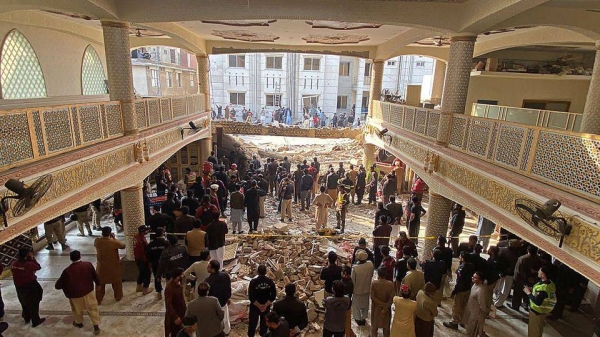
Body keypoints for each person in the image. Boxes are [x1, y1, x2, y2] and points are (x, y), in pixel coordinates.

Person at [55, 250, 101, 334]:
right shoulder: (88, 265)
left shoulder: (67, 271)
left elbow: (58, 286)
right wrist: (98, 284)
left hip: (75, 295)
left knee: (77, 310)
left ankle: (79, 323)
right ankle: (96, 326)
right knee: (92, 308)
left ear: (70, 259)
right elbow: (95, 276)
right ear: (80, 256)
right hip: (88, 292)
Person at [10, 248, 45, 327]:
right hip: (30, 285)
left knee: (24, 302)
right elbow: (38, 267)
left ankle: (26, 317)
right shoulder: (28, 264)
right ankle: (35, 320)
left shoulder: (14, 264)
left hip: (19, 286)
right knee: (34, 302)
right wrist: (32, 259)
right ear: (27, 255)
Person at [443, 252, 475, 330]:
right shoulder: (471, 266)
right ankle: (462, 320)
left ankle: (454, 322)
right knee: (464, 305)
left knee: (457, 306)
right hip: (468, 289)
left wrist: (454, 291)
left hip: (461, 290)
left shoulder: (462, 268)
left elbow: (460, 281)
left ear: (463, 258)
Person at [94, 226, 125, 304]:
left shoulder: (97, 241)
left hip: (101, 268)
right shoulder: (113, 242)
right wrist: (114, 238)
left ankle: (98, 299)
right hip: (113, 267)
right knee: (117, 283)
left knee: (100, 284)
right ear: (110, 233)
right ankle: (118, 297)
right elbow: (123, 245)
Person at [525, 265, 557, 337]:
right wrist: (532, 290)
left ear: (543, 274)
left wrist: (528, 293)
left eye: (540, 270)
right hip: (543, 312)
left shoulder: (544, 288)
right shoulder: (550, 283)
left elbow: (537, 302)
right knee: (538, 330)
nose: (538, 272)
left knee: (534, 332)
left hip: (537, 312)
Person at [248, 264, 277, 337]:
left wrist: (259, 306)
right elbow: (273, 296)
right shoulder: (270, 282)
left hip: (255, 307)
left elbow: (251, 297)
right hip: (266, 307)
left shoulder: (253, 282)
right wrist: (265, 306)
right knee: (264, 325)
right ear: (266, 272)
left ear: (257, 272)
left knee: (252, 324)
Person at [511, 244, 541, 312]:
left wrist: (515, 279)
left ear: (528, 250)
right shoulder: (538, 259)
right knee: (528, 293)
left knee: (517, 294)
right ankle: (525, 305)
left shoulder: (522, 258)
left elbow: (518, 271)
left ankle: (515, 306)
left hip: (521, 279)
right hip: (532, 280)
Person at [205, 259, 232, 335]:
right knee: (225, 318)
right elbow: (228, 288)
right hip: (223, 302)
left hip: (214, 305)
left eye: (209, 266)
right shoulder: (225, 275)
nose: (207, 267)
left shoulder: (208, 281)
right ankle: (226, 332)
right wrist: (228, 298)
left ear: (213, 269)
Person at [493, 239, 520, 307]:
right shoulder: (514, 253)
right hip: (507, 274)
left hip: (502, 273)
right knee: (504, 290)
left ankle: (496, 302)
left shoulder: (502, 250)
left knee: (499, 288)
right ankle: (498, 304)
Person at [462, 271, 489, 337]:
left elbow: (482, 304)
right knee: (469, 330)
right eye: (473, 277)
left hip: (476, 314)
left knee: (472, 332)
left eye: (475, 278)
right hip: (471, 310)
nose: (472, 278)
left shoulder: (481, 290)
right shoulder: (475, 285)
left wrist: (487, 311)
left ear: (480, 280)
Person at [351, 250, 374, 325]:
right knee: (365, 304)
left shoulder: (355, 268)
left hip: (357, 290)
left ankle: (358, 319)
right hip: (367, 288)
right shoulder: (370, 264)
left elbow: (353, 281)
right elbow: (372, 274)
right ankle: (364, 317)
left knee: (356, 306)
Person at [371, 267, 395, 337]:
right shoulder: (390, 284)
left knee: (374, 328)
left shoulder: (374, 283)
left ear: (378, 274)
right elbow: (391, 298)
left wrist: (381, 304)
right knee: (386, 328)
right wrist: (386, 305)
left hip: (376, 309)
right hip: (386, 309)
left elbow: (373, 297)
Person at [164, 267, 187, 336]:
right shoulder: (170, 288)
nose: (183, 276)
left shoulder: (178, 283)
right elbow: (168, 305)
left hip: (181, 313)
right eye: (182, 275)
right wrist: (175, 317)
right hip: (174, 317)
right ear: (177, 276)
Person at [147, 227, 169, 299]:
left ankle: (159, 293)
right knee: (168, 277)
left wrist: (150, 263)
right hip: (166, 263)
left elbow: (148, 255)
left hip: (155, 263)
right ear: (163, 233)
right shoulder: (166, 243)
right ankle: (168, 292)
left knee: (157, 277)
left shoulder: (151, 244)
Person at [134, 225, 153, 295]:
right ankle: (145, 288)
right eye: (146, 230)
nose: (148, 231)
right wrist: (148, 261)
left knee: (141, 272)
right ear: (143, 231)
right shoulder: (142, 239)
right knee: (147, 273)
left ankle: (139, 286)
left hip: (137, 258)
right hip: (143, 259)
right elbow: (145, 251)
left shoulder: (136, 236)